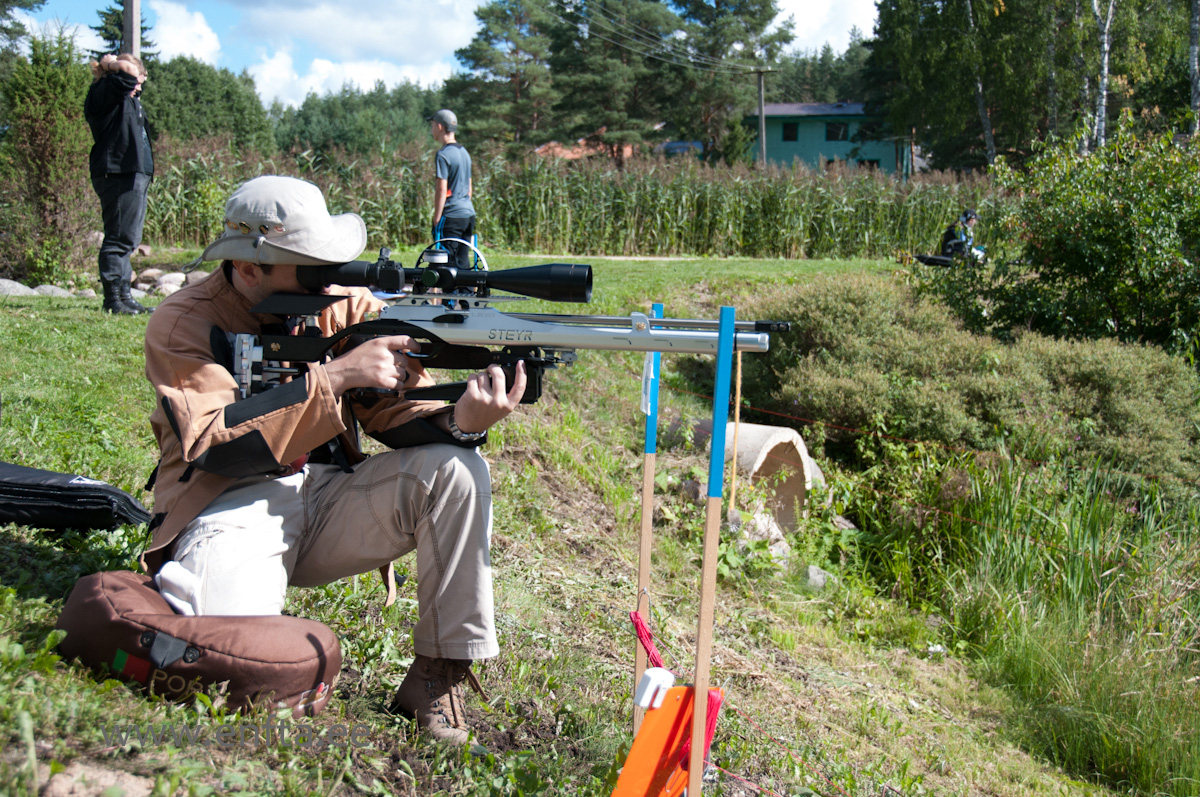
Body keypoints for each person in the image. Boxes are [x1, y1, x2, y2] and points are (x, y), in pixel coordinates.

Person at [141, 175, 526, 744]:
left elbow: (393, 414)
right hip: (229, 502)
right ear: (248, 268)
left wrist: (460, 421)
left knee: (458, 472)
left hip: (326, 496)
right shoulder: (185, 323)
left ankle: (437, 676)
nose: (332, 281)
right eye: (313, 269)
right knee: (231, 661)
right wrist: (337, 376)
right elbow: (215, 444)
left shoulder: (341, 305)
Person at [84, 53, 154, 315]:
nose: (138, 86)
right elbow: (126, 72)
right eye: (136, 80)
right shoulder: (106, 91)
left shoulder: (127, 98)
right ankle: (112, 300)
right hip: (117, 172)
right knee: (118, 238)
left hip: (134, 173)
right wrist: (110, 62)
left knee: (129, 239)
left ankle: (124, 297)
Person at [428, 109, 476, 270]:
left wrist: (437, 218)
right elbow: (469, 188)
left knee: (445, 263)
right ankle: (465, 287)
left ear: (440, 127)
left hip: (451, 215)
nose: (432, 130)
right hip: (468, 214)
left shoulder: (443, 154)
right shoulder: (465, 153)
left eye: (432, 126)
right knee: (462, 262)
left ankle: (448, 289)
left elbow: (441, 189)